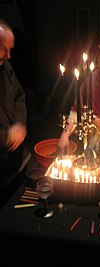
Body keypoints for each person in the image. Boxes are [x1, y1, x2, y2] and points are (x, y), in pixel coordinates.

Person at [0, 18, 30, 207]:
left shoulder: (4, 66)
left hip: (12, 158)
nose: (9, 56)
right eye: (5, 49)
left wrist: (19, 124)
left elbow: (19, 96)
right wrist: (5, 136)